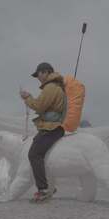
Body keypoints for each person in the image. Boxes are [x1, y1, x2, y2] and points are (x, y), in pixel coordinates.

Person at [19, 62, 66, 202]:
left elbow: (39, 106)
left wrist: (27, 98)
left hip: (51, 128)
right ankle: (50, 186)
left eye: (38, 74)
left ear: (45, 72)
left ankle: (43, 190)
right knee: (40, 154)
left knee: (34, 154)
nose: (38, 78)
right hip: (52, 126)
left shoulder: (50, 87)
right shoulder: (55, 86)